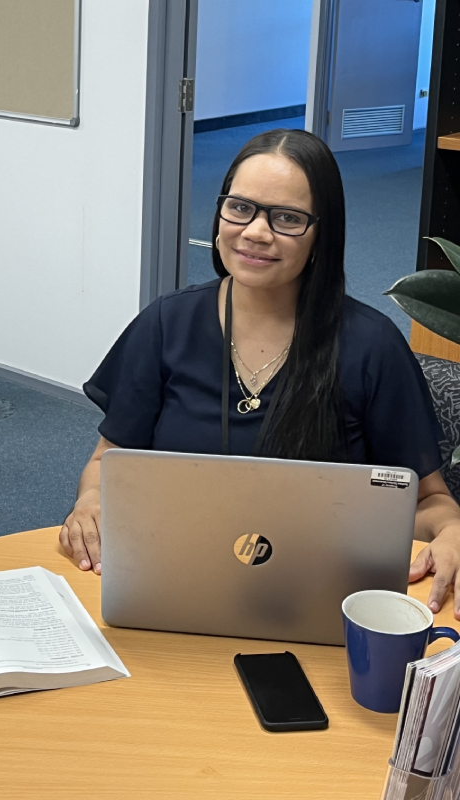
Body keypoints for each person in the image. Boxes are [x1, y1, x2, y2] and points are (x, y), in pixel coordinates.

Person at [60, 128, 460, 617]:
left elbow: (427, 501)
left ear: (322, 234)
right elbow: (109, 462)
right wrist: (91, 502)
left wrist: (452, 530)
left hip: (317, 603)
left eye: (287, 218)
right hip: (176, 587)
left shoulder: (371, 346)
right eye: (240, 207)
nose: (254, 232)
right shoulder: (168, 324)